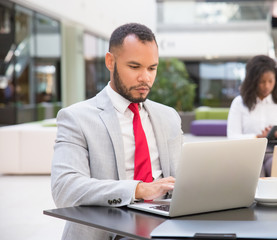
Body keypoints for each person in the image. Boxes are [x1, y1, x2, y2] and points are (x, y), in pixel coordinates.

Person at [51, 23, 183, 240]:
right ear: (110, 62)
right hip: (107, 233)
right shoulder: (76, 118)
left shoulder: (168, 116)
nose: (145, 78)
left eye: (152, 68)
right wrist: (138, 190)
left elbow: (182, 179)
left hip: (165, 229)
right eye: (134, 67)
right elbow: (65, 189)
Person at [227, 55, 277, 177]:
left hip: (273, 154)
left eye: (270, 81)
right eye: (262, 82)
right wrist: (258, 137)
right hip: (248, 155)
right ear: (253, 81)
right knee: (256, 173)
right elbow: (232, 137)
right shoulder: (239, 103)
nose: (267, 86)